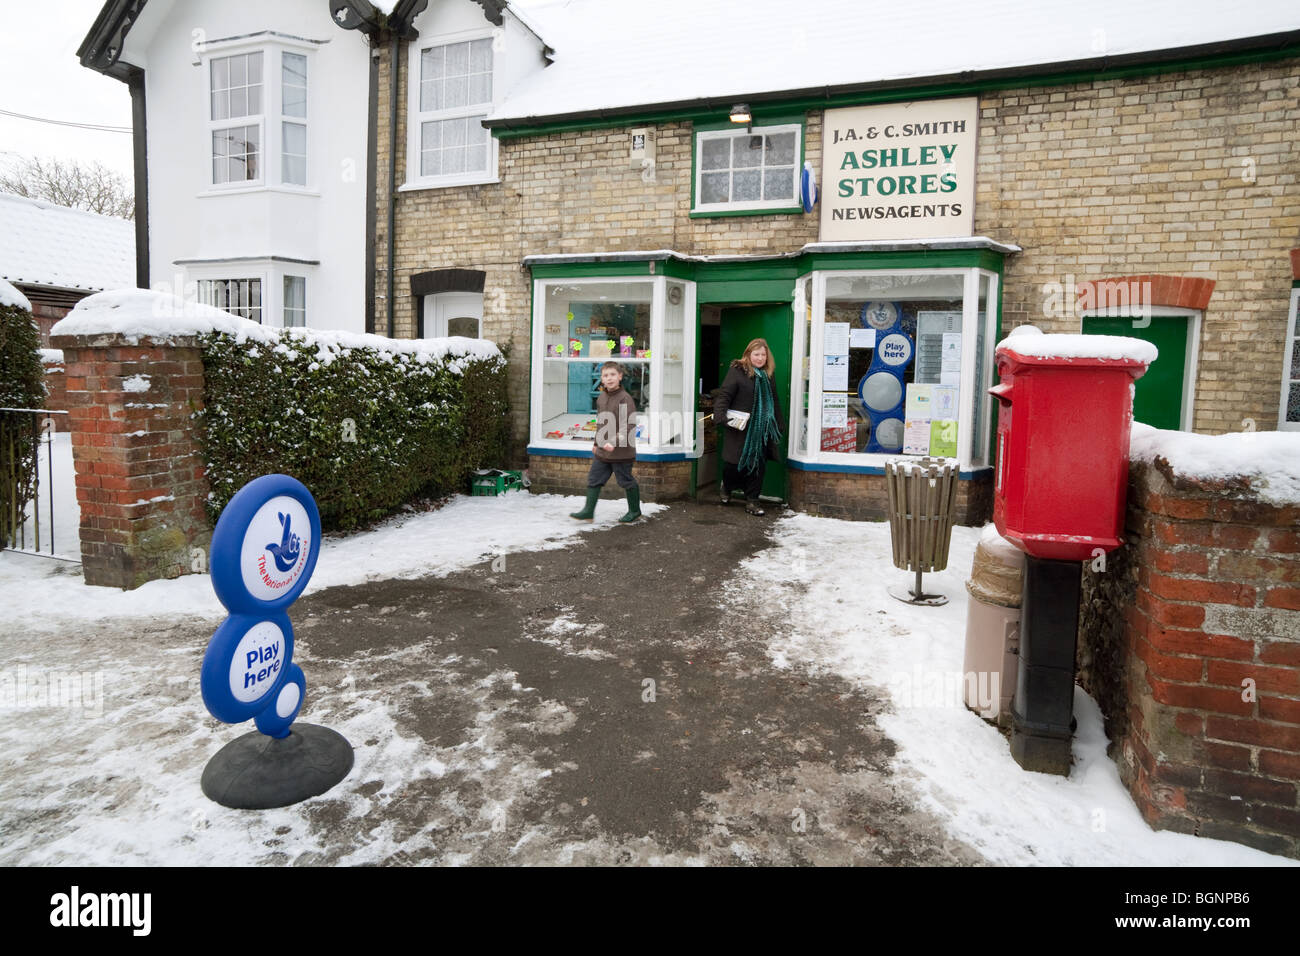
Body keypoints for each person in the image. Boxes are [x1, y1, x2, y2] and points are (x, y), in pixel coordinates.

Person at [714, 338, 783, 516]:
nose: (760, 358)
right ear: (748, 354)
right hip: (740, 427)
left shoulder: (768, 375)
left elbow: (774, 399)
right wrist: (720, 416)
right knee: (733, 464)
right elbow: (724, 395)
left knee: (758, 464)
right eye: (756, 354)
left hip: (761, 429)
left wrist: (778, 423)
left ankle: (752, 501)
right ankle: (727, 486)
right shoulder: (737, 371)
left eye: (763, 355)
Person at [570, 361, 642, 523]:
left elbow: (628, 425)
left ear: (620, 376)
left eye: (612, 375)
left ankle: (635, 511)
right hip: (603, 450)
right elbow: (601, 423)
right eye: (605, 375)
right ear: (601, 379)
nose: (609, 379)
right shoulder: (602, 397)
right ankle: (588, 511)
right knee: (594, 478)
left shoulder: (625, 399)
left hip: (621, 451)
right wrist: (596, 443)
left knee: (625, 480)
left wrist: (614, 442)